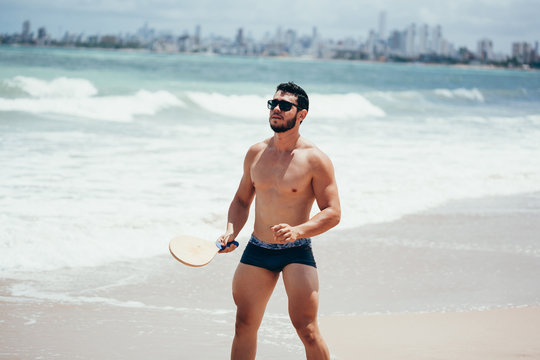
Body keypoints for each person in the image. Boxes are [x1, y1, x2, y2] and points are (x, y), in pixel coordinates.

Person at [218, 82, 341, 360]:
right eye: (272, 103)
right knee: (244, 324)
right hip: (257, 249)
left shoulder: (315, 159)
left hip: (296, 252)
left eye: (285, 105)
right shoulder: (256, 153)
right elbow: (241, 201)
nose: (276, 109)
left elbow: (333, 212)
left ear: (301, 115)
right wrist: (230, 232)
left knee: (306, 328)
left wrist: (298, 230)